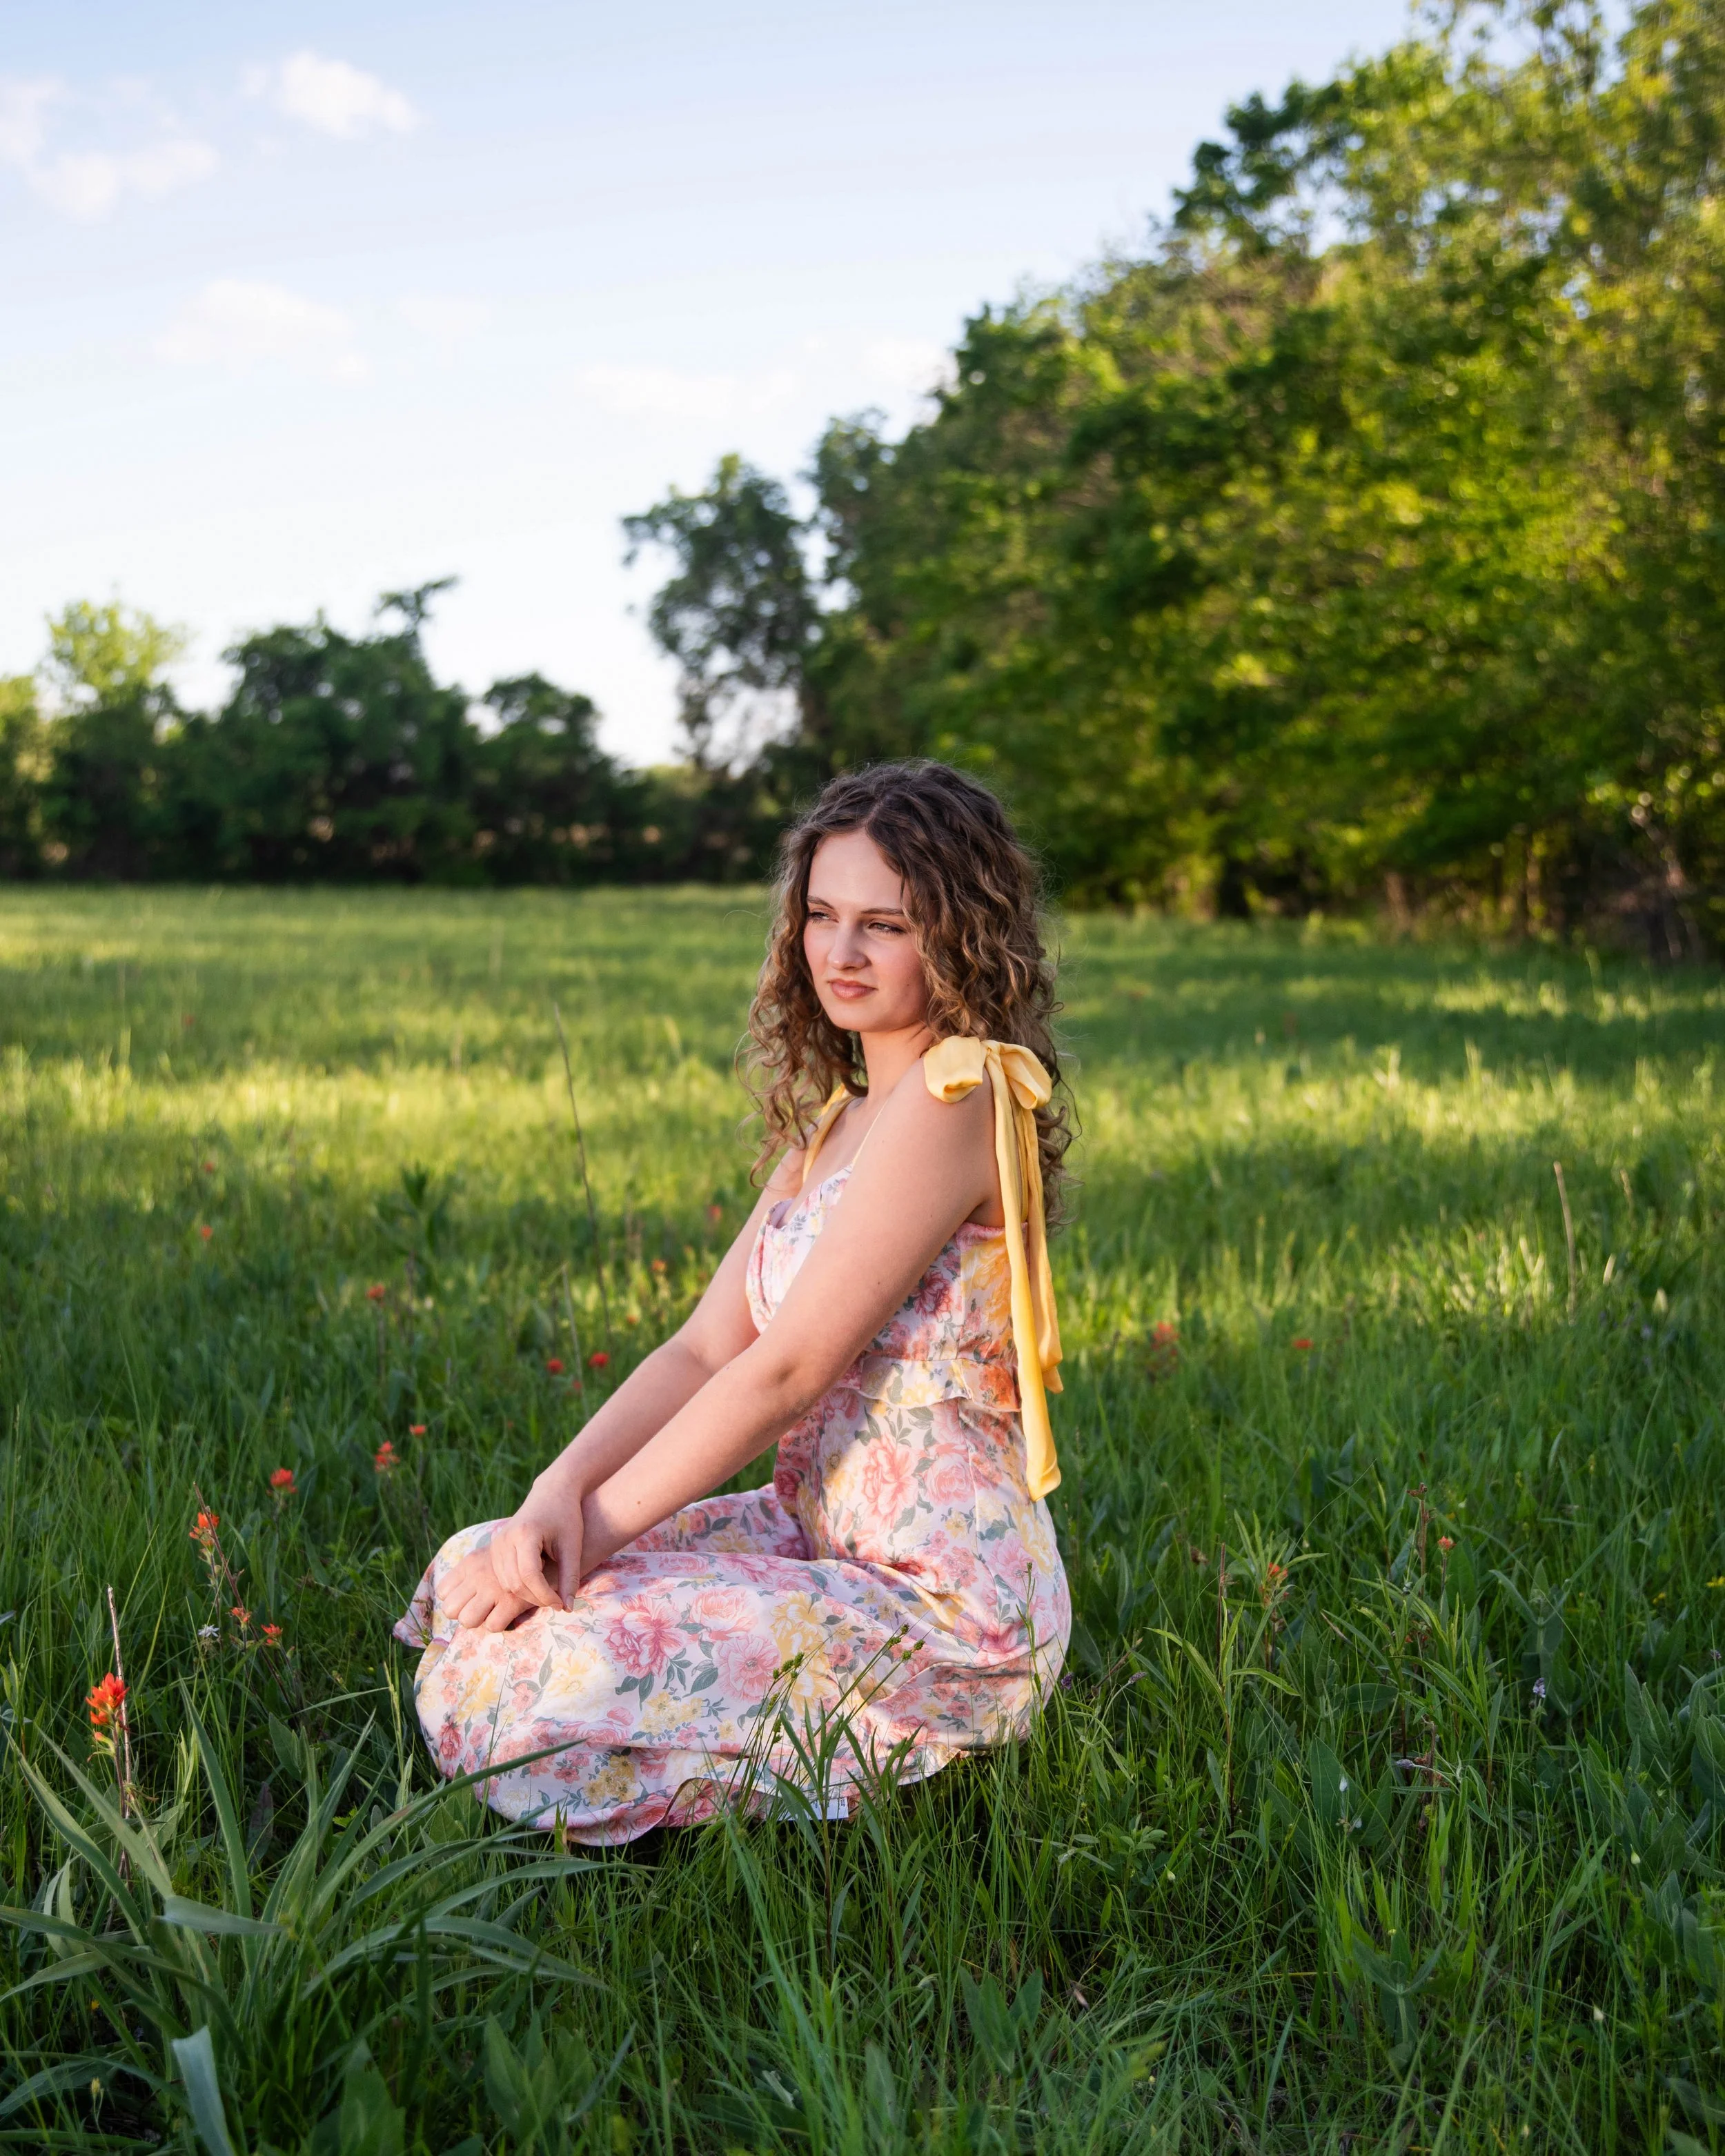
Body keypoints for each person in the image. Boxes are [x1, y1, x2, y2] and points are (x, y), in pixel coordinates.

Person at [395, 760, 1073, 1843]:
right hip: (813, 1539)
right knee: (485, 1554)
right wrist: (557, 1495)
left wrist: (597, 1539)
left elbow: (786, 1369)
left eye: (883, 925)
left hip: (938, 1601)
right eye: (821, 914)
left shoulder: (960, 1093)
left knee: (561, 1649)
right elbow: (706, 1348)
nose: (840, 953)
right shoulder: (838, 1124)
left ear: (955, 933)